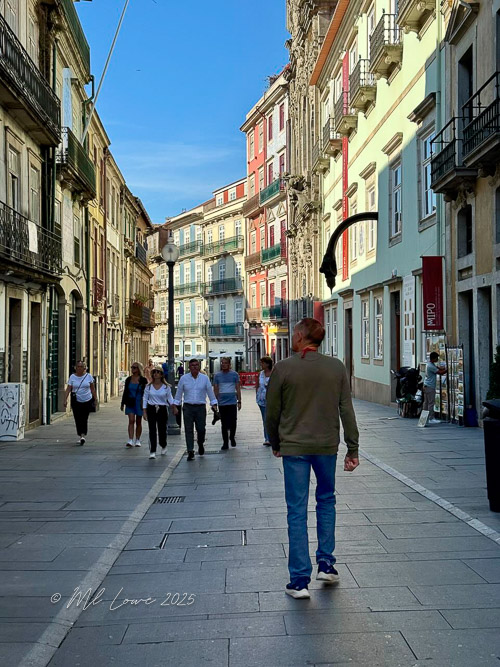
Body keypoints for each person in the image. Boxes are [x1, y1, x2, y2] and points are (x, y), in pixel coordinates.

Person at [266, 318, 360, 599]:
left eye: (294, 335)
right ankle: (326, 563)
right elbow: (347, 410)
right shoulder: (336, 367)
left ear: (299, 336)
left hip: (294, 448)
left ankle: (299, 581)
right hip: (326, 447)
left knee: (296, 510)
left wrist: (275, 441)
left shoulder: (283, 368)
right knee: (326, 500)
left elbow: (272, 411)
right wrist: (352, 448)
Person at [173, 358, 218, 461]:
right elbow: (179, 393)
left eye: (196, 365)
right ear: (189, 367)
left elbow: (210, 392)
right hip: (188, 407)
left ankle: (200, 443)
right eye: (192, 365)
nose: (194, 367)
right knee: (188, 429)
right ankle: (190, 450)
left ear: (199, 366)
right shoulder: (184, 379)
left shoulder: (204, 378)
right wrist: (175, 405)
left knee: (201, 429)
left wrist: (214, 403)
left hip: (200, 407)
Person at [142, 368, 174, 459]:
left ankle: (163, 444)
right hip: (151, 408)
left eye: (158, 372)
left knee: (162, 430)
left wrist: (173, 406)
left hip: (162, 409)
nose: (156, 374)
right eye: (154, 372)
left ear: (161, 375)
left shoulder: (166, 387)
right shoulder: (148, 386)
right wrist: (144, 411)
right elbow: (145, 398)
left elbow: (170, 398)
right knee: (152, 430)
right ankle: (152, 450)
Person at [64, 361, 97, 446]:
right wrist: (65, 399)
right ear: (75, 367)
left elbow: (92, 389)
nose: (79, 368)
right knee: (77, 418)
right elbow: (68, 389)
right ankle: (80, 435)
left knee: (84, 418)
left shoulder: (88, 376)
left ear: (84, 368)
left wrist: (95, 399)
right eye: (78, 366)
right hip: (76, 400)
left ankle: (83, 435)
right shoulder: (72, 377)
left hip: (87, 400)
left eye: (81, 366)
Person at [213, 357, 241, 450]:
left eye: (225, 363)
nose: (223, 364)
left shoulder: (234, 375)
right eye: (222, 363)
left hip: (232, 402)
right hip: (222, 403)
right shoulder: (217, 375)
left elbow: (238, 388)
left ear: (229, 364)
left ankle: (232, 437)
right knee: (224, 423)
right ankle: (225, 442)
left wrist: (239, 401)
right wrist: (215, 401)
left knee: (233, 422)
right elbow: (216, 388)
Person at [121, 362, 148, 447]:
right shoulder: (128, 379)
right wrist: (122, 403)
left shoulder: (143, 380)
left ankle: (138, 439)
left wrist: (146, 405)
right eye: (132, 367)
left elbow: (146, 393)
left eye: (134, 368)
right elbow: (125, 391)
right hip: (130, 402)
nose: (132, 369)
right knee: (131, 420)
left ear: (138, 369)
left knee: (138, 421)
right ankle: (130, 439)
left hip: (139, 402)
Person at [423, 352, 446, 424]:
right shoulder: (431, 366)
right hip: (430, 386)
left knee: (426, 403)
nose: (437, 359)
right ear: (433, 358)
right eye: (437, 358)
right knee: (431, 403)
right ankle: (431, 418)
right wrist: (448, 369)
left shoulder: (429, 364)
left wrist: (443, 367)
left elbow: (439, 368)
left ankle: (424, 418)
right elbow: (440, 372)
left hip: (426, 385)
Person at [256, 356, 273, 446]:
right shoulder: (260, 374)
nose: (261, 365)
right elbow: (257, 385)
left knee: (272, 419)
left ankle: (274, 437)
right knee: (265, 419)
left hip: (272, 399)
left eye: (262, 363)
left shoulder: (274, 373)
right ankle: (267, 438)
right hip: (262, 399)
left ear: (267, 364)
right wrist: (257, 395)